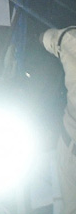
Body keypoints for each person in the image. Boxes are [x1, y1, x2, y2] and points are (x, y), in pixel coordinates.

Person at [42, 26, 76, 214]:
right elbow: (53, 39)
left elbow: (51, 38)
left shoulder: (71, 39)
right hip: (69, 151)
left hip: (69, 151)